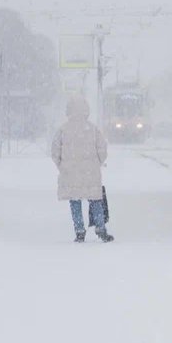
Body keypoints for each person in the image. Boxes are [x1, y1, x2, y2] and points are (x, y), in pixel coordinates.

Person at [51, 95, 112, 243]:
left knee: (75, 201)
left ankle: (79, 231)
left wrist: (62, 166)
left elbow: (55, 152)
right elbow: (102, 150)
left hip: (70, 173)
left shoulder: (63, 130)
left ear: (68, 111)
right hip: (90, 173)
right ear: (86, 110)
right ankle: (101, 228)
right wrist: (95, 163)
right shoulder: (92, 129)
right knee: (95, 200)